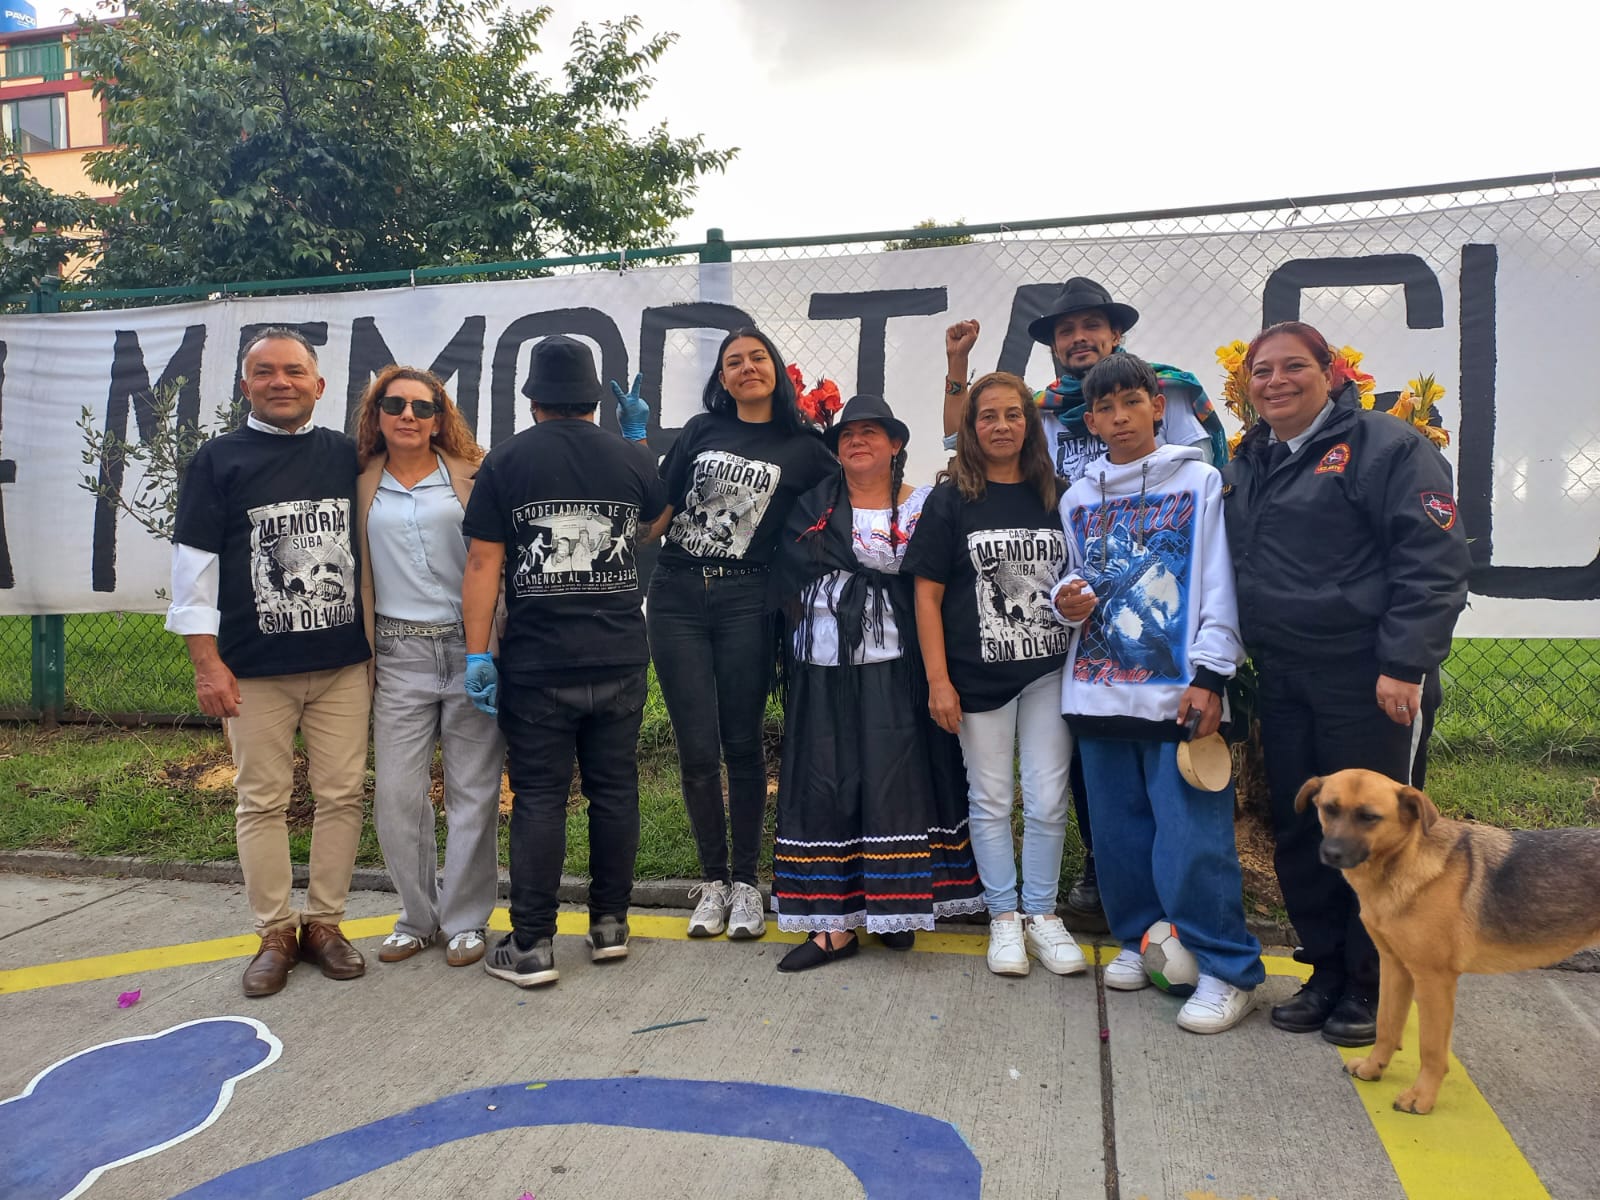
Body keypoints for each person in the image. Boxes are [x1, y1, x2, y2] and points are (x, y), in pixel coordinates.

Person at [941, 279, 1227, 918]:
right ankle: (1107, 876)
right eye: (1065, 331)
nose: (1078, 339)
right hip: (1079, 628)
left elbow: (1200, 494)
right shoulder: (1041, 411)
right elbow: (964, 446)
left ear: (1116, 335)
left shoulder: (1172, 396)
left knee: (1169, 793)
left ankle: (1189, 922)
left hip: (1163, 624)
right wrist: (958, 369)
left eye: (1091, 326)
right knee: (1087, 773)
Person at [1223, 320, 1470, 1045]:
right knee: (1308, 826)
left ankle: (1372, 983)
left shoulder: (1388, 447)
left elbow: (1433, 561)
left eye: (1292, 367)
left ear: (1331, 374)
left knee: (1381, 836)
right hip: (1285, 676)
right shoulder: (1250, 460)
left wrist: (1405, 663)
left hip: (1370, 677)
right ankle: (1326, 969)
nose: (1275, 381)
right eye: (1261, 371)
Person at [1051, 353, 1264, 1033]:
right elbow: (1069, 581)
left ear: (1156, 407)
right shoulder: (1077, 498)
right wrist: (1065, 600)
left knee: (1194, 842)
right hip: (1097, 696)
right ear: (1091, 421)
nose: (1119, 418)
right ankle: (1143, 940)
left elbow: (1219, 582)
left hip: (1179, 697)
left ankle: (1227, 968)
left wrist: (1210, 675)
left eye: (1131, 403)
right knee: (1119, 840)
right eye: (1104, 409)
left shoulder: (1200, 480)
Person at [166, 327, 370, 997]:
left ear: (318, 384)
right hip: (253, 670)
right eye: (264, 372)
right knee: (261, 801)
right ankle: (276, 932)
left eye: (293, 371)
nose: (279, 381)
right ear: (245, 385)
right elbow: (194, 568)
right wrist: (206, 663)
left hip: (341, 665)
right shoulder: (217, 460)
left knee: (342, 795)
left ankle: (327, 924)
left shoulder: (345, 455)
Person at [462, 336, 666, 987]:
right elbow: (656, 520)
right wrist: (637, 441)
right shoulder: (627, 456)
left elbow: (483, 562)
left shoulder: (506, 460)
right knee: (615, 791)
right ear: (596, 398)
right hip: (619, 656)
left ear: (532, 399)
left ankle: (531, 945)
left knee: (541, 799)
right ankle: (610, 927)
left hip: (538, 663)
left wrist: (477, 652)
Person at [767, 394, 984, 971]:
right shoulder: (812, 505)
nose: (857, 441)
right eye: (847, 434)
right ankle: (834, 926)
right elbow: (788, 575)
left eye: (870, 432)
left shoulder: (924, 506)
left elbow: (938, 582)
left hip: (897, 663)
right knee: (828, 783)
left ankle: (895, 910)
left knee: (894, 784)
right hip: (822, 665)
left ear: (895, 445)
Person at [645, 327, 837, 941]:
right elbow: (658, 514)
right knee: (697, 748)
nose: (747, 367)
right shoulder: (701, 430)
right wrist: (630, 453)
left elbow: (844, 507)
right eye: (734, 362)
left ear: (776, 369)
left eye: (757, 358)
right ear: (722, 379)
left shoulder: (805, 448)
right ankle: (714, 882)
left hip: (747, 600)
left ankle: (748, 882)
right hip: (676, 595)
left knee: (744, 744)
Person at [904, 371, 1086, 979]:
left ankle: (1042, 914)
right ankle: (1003, 915)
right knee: (990, 799)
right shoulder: (951, 499)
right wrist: (938, 681)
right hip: (976, 682)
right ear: (971, 427)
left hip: (1048, 673)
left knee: (1048, 799)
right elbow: (926, 596)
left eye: (1014, 414)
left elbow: (1079, 576)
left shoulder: (1058, 494)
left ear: (1030, 424)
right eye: (988, 416)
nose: (1002, 426)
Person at [353, 366, 504, 970]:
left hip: (473, 650)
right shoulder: (358, 481)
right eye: (394, 405)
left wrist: (487, 649)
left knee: (474, 792)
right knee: (396, 796)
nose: (408, 416)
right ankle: (416, 916)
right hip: (398, 655)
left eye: (423, 406)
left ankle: (465, 919)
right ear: (377, 414)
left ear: (441, 418)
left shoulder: (475, 472)